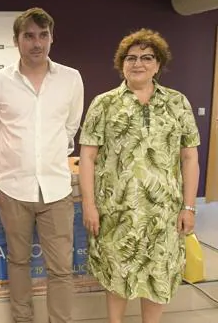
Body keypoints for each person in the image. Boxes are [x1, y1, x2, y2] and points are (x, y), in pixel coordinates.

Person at [79, 29, 199, 323]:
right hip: (116, 211)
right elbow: (88, 157)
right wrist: (89, 204)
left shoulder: (177, 103)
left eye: (147, 57)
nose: (138, 63)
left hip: (163, 213)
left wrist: (189, 206)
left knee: (158, 274)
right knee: (117, 272)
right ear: (122, 64)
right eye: (131, 58)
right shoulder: (104, 104)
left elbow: (189, 156)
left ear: (158, 64)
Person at [0, 7, 84, 323]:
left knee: (61, 269)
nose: (36, 43)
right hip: (13, 189)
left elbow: (70, 128)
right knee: (18, 262)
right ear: (17, 40)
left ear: (52, 38)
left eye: (43, 35)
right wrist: (17, 162)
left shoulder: (70, 79)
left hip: (56, 189)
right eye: (29, 36)